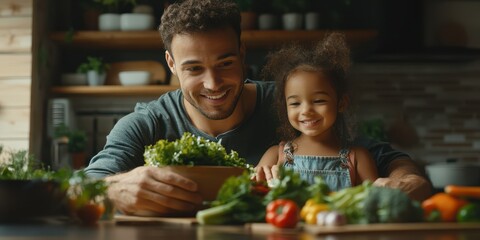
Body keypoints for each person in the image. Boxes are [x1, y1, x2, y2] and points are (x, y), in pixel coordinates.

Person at [84, 0, 431, 216]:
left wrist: (407, 182)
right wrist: (112, 189)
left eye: (225, 63)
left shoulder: (290, 106)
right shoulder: (146, 124)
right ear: (171, 64)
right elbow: (80, 186)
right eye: (193, 68)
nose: (213, 83)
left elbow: (387, 158)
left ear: (243, 54)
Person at [254, 33, 378, 191]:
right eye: (295, 103)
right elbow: (255, 194)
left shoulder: (358, 159)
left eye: (319, 101)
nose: (306, 111)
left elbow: (376, 203)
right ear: (285, 107)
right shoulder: (275, 156)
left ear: (341, 103)